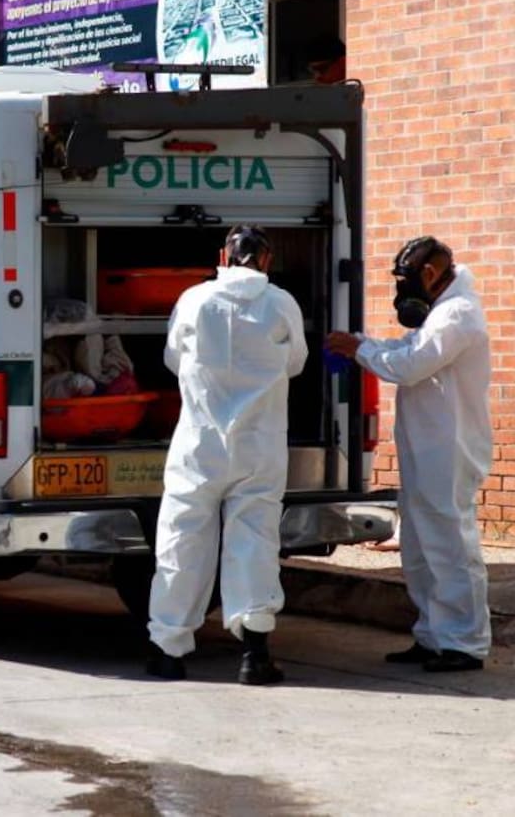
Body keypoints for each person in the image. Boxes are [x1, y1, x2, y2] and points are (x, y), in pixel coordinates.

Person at [146, 225, 307, 685]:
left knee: (182, 539)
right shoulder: (281, 304)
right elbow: (296, 363)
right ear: (267, 260)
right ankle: (254, 655)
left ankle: (168, 650)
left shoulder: (194, 300)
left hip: (199, 443)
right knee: (255, 541)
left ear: (222, 256)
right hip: (260, 443)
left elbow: (173, 358)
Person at [325, 236, 491, 672]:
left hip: (449, 448)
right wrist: (360, 342)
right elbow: (403, 349)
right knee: (419, 547)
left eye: (407, 280)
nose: (403, 290)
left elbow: (410, 365)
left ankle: (464, 643)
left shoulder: (458, 315)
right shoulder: (440, 314)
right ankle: (433, 635)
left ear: (430, 275)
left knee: (450, 546)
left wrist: (358, 350)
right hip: (426, 447)